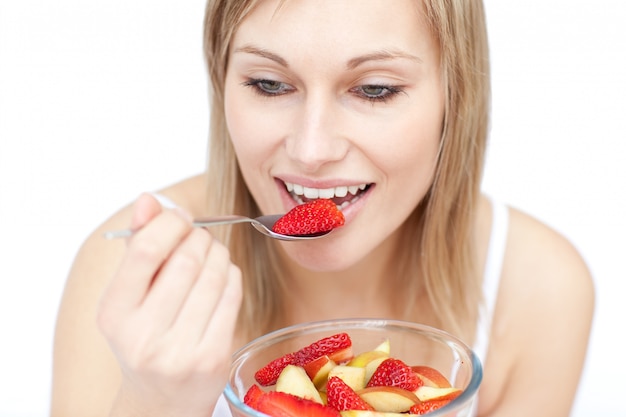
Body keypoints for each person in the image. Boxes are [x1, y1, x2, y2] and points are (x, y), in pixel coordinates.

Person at [51, 0, 595, 416]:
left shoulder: (539, 291)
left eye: (375, 90)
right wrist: (153, 400)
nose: (312, 150)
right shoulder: (126, 279)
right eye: (268, 84)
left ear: (456, 97)